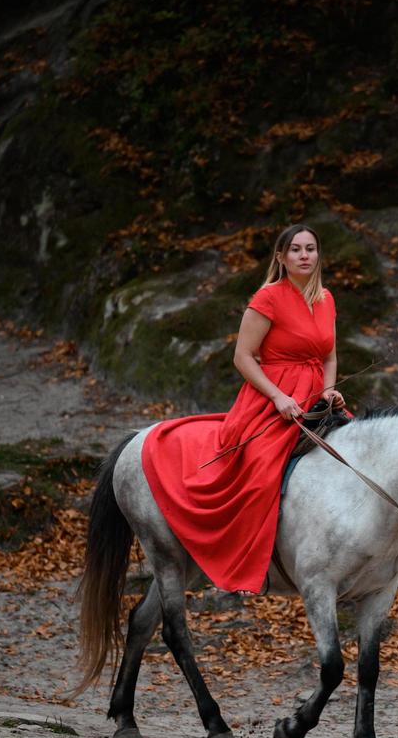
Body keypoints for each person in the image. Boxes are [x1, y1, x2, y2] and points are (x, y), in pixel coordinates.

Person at [140, 223, 346, 594]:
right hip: (272, 400)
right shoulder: (268, 298)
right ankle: (254, 555)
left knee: (356, 453)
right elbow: (243, 357)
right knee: (261, 466)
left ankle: (379, 550)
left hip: (316, 398)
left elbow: (329, 356)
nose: (304, 256)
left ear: (318, 255)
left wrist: (329, 391)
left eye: (311, 249)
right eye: (296, 250)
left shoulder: (326, 299)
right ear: (281, 258)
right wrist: (278, 397)